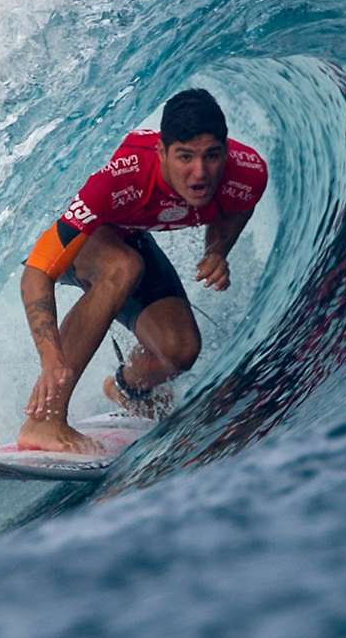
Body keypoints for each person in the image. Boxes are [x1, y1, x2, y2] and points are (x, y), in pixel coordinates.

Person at [17, 88, 269, 454]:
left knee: (179, 350)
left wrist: (217, 251)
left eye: (212, 156)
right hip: (65, 229)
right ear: (162, 152)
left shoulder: (246, 173)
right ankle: (43, 421)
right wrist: (50, 356)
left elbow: (239, 204)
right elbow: (37, 273)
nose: (200, 172)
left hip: (125, 237)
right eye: (185, 157)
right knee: (123, 266)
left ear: (226, 151)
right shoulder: (118, 179)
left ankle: (128, 389)